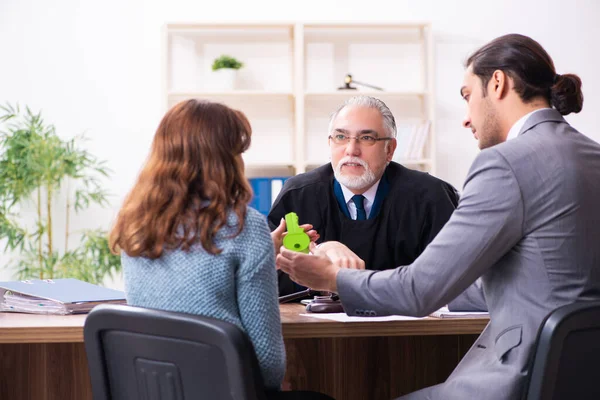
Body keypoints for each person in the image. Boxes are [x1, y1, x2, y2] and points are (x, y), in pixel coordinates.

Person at [276, 33, 600, 400]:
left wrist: (335, 278)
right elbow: (531, 279)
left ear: (497, 83)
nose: (465, 119)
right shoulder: (592, 156)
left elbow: (419, 290)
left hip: (520, 376)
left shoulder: (502, 164)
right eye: (340, 137)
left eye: (466, 96)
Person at [109, 99, 333, 400]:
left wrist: (264, 255)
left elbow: (191, 276)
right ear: (224, 159)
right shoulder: (243, 226)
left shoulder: (136, 223)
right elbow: (268, 364)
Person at [269, 95, 459, 295]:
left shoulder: (430, 197)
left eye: (367, 138)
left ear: (390, 150)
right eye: (341, 137)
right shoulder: (298, 195)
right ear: (330, 143)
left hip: (406, 324)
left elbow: (450, 279)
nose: (351, 150)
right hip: (316, 324)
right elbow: (269, 282)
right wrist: (320, 254)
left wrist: (340, 278)